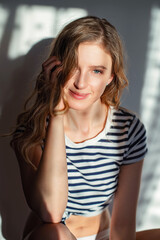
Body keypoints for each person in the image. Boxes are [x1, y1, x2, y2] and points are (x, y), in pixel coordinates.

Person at [10, 16, 159, 240]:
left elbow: (124, 222)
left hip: (105, 234)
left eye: (96, 71)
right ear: (56, 68)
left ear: (111, 76)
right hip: (53, 235)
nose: (81, 83)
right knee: (55, 232)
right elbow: (51, 211)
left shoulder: (127, 129)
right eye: (73, 67)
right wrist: (57, 114)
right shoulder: (33, 131)